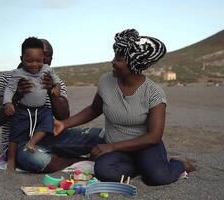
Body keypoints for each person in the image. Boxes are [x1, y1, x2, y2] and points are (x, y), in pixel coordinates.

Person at [54, 29, 195, 186]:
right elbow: (94, 109)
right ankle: (142, 166)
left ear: (134, 63)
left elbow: (154, 136)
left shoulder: (154, 92)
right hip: (118, 150)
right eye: (114, 57)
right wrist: (64, 124)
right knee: (104, 171)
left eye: (119, 59)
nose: (112, 62)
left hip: (145, 147)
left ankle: (181, 163)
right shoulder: (106, 82)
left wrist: (111, 147)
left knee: (158, 177)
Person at [0, 38, 103, 173]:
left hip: (51, 135)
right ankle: (82, 162)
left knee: (100, 136)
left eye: (45, 55)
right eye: (33, 57)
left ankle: (71, 154)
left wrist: (51, 92)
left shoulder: (54, 81)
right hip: (18, 143)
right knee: (41, 161)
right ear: (24, 57)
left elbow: (63, 116)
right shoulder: (7, 78)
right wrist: (16, 96)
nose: (40, 60)